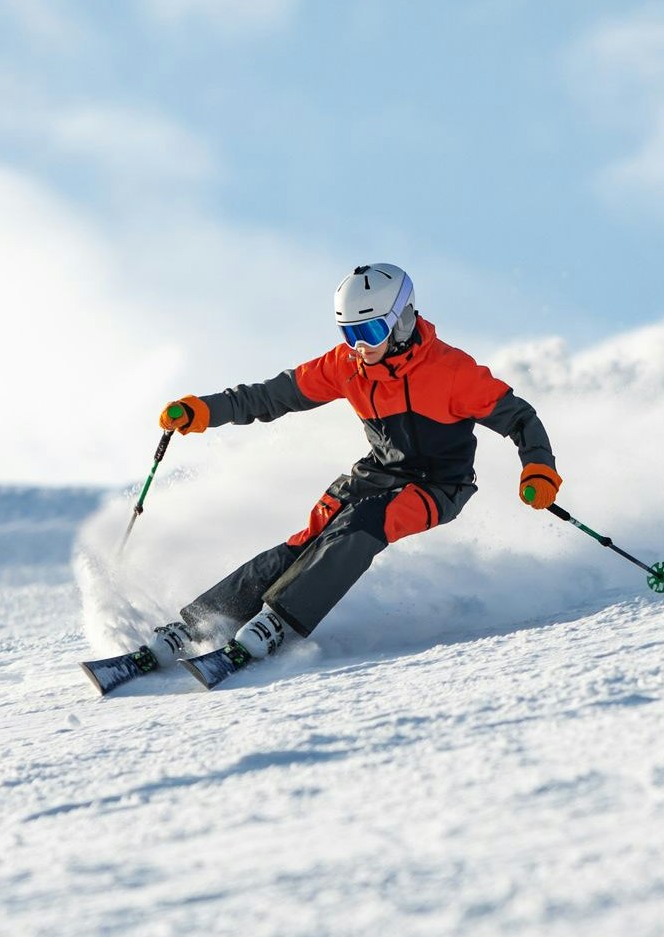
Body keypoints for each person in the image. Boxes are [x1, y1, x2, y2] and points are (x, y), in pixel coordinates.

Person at [142, 263, 560, 668]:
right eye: (350, 333)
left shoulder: (452, 372)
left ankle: (278, 622)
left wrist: (538, 469)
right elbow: (271, 396)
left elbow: (521, 419)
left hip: (438, 485)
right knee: (311, 538)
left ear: (402, 320)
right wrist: (204, 410)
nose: (361, 345)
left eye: (371, 331)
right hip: (377, 472)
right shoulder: (346, 366)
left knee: (362, 525)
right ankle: (203, 622)